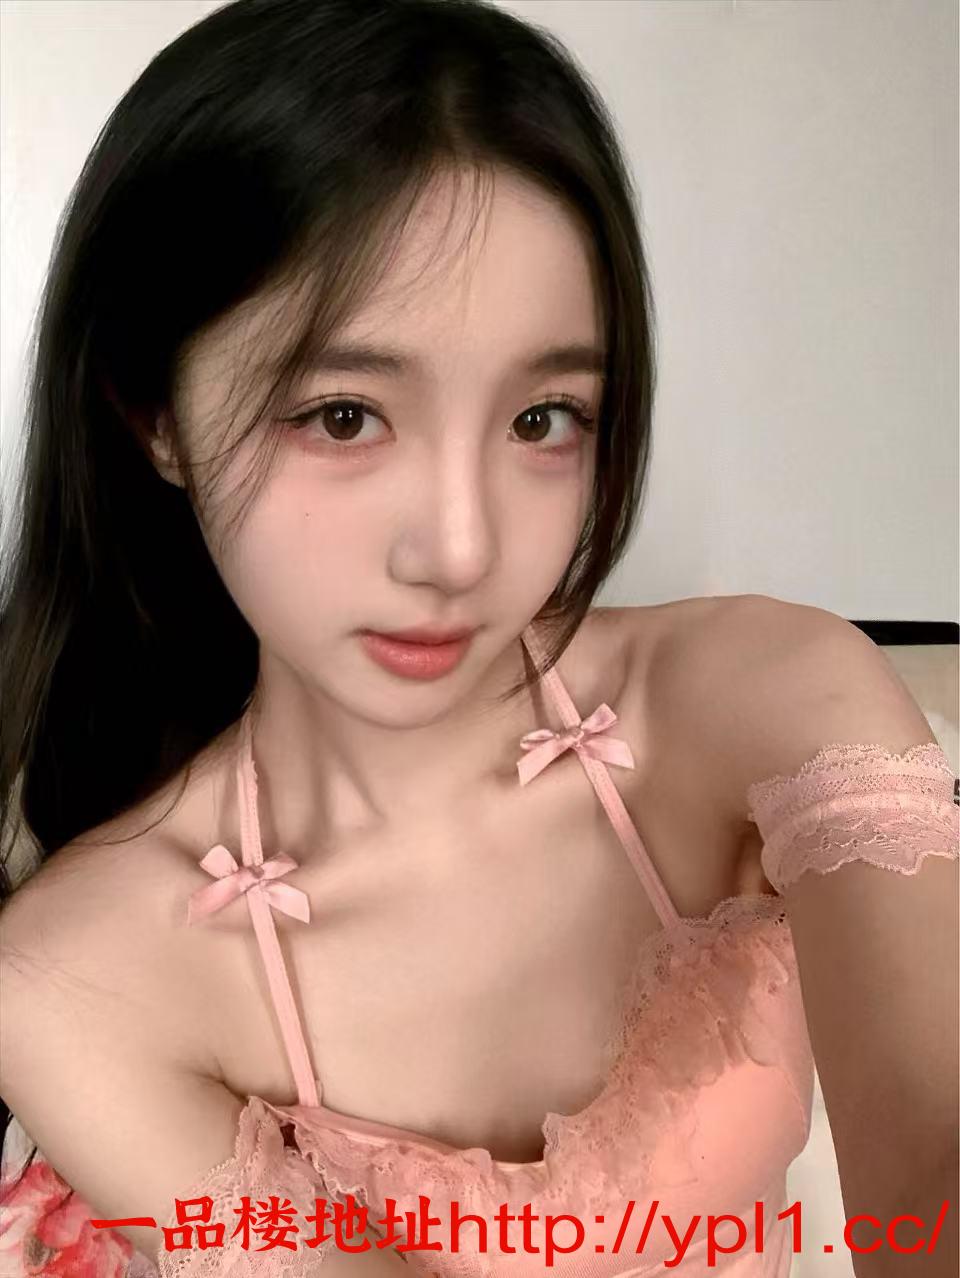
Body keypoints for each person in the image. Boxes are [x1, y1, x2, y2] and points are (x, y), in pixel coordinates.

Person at [0, 0, 956, 1275]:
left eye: (543, 417)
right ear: (154, 414)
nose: (461, 549)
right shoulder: (76, 977)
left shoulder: (769, 702)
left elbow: (936, 1154)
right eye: (343, 415)